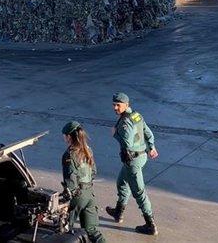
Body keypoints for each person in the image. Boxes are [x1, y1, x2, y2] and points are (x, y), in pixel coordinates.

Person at [105, 92, 158, 235]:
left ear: (126, 105)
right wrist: (151, 147)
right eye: (114, 105)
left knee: (139, 192)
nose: (115, 108)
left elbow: (127, 143)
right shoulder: (136, 115)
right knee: (122, 182)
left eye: (118, 105)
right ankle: (118, 212)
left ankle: (150, 224)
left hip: (132, 160)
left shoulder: (124, 122)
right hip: (140, 156)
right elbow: (147, 132)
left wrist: (115, 134)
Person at [61, 121, 106, 243]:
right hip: (89, 194)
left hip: (77, 196)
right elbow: (94, 171)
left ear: (69, 137)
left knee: (65, 230)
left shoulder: (69, 155)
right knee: (91, 230)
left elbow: (70, 178)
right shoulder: (87, 150)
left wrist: (66, 200)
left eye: (64, 135)